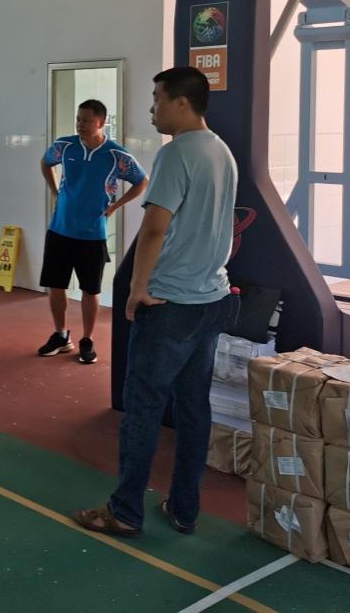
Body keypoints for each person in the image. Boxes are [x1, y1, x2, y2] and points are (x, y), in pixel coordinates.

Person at [73, 67, 239, 537]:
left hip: (170, 303)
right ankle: (185, 508)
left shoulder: (176, 153)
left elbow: (153, 229)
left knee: (143, 409)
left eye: (157, 99)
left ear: (182, 103)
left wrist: (136, 288)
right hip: (211, 299)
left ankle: (125, 511)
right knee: (193, 408)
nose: (152, 109)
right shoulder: (222, 152)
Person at [37, 99, 148, 365]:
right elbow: (45, 162)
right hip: (59, 230)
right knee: (55, 286)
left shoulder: (115, 155)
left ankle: (87, 339)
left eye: (86, 120)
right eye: (78, 119)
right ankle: (61, 335)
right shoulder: (64, 146)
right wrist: (56, 192)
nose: (80, 124)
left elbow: (141, 181)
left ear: (101, 122)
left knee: (90, 289)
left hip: (92, 235)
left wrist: (115, 207)